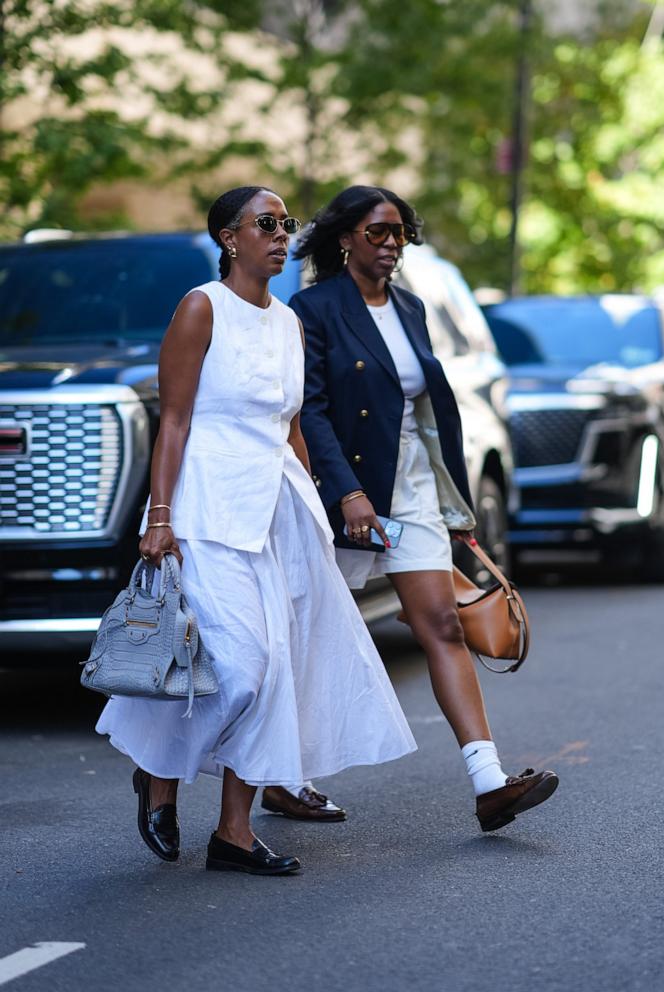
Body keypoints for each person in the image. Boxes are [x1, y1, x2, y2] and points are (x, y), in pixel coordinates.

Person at [96, 185, 416, 875]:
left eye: (286, 224)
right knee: (236, 667)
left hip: (279, 512)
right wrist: (159, 518)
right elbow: (173, 421)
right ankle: (158, 775)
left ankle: (233, 833)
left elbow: (293, 427)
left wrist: (322, 513)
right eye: (264, 224)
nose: (279, 235)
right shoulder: (200, 308)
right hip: (207, 508)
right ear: (228, 238)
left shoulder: (287, 323)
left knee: (275, 668)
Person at [260, 185, 558, 833]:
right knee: (305, 636)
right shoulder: (313, 309)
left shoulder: (412, 308)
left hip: (414, 490)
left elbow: (424, 414)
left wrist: (451, 496)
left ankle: (489, 783)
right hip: (343, 494)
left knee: (443, 627)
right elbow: (308, 408)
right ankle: (282, 779)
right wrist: (347, 492)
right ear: (345, 240)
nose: (392, 243)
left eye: (399, 232)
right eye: (378, 232)